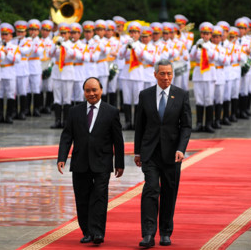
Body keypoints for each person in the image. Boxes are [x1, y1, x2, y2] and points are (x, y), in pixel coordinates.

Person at [57, 77, 124, 245]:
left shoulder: (111, 111)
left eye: (95, 90)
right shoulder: (74, 111)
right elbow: (67, 136)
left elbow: (118, 140)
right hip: (80, 162)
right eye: (88, 91)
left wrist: (120, 163)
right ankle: (87, 231)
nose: (92, 93)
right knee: (82, 198)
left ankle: (98, 232)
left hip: (102, 162)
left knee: (99, 197)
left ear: (101, 90)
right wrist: (62, 158)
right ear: (84, 92)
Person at [134, 59, 192, 247]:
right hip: (150, 152)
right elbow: (140, 126)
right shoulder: (145, 95)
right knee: (151, 189)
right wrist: (137, 152)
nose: (166, 77)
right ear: (155, 75)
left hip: (172, 153)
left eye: (169, 74)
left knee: (169, 191)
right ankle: (148, 234)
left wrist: (181, 149)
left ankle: (165, 231)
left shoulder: (181, 95)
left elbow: (186, 126)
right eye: (162, 74)